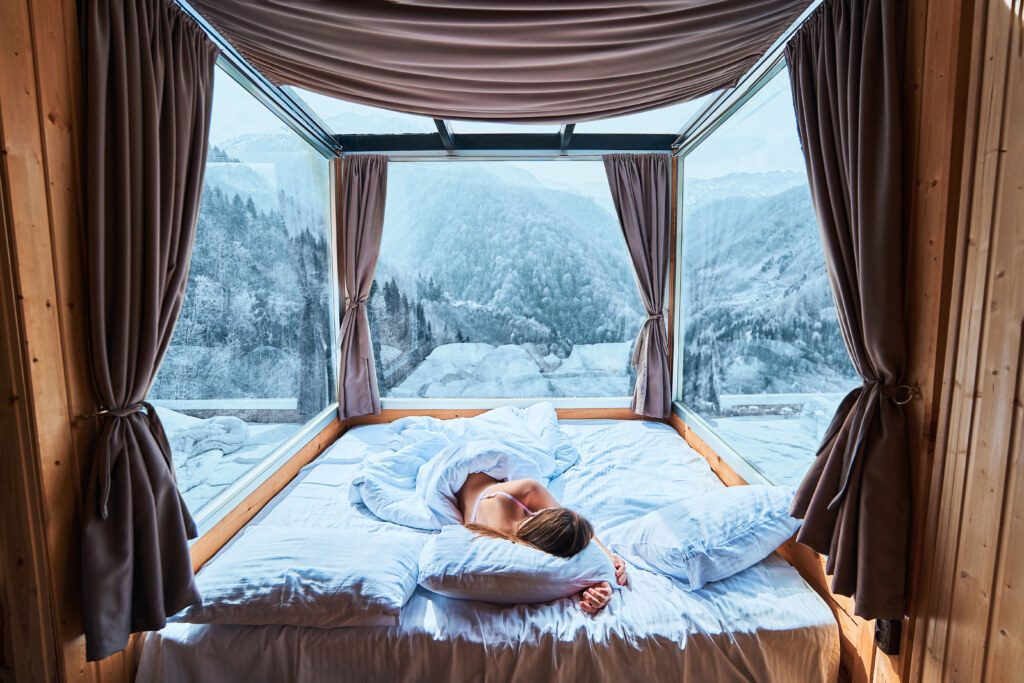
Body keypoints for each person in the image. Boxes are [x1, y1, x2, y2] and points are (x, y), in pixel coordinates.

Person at [456, 473, 628, 614]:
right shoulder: (525, 491)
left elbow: (578, 530)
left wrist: (610, 559)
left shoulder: (520, 533)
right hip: (474, 473)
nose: (547, 507)